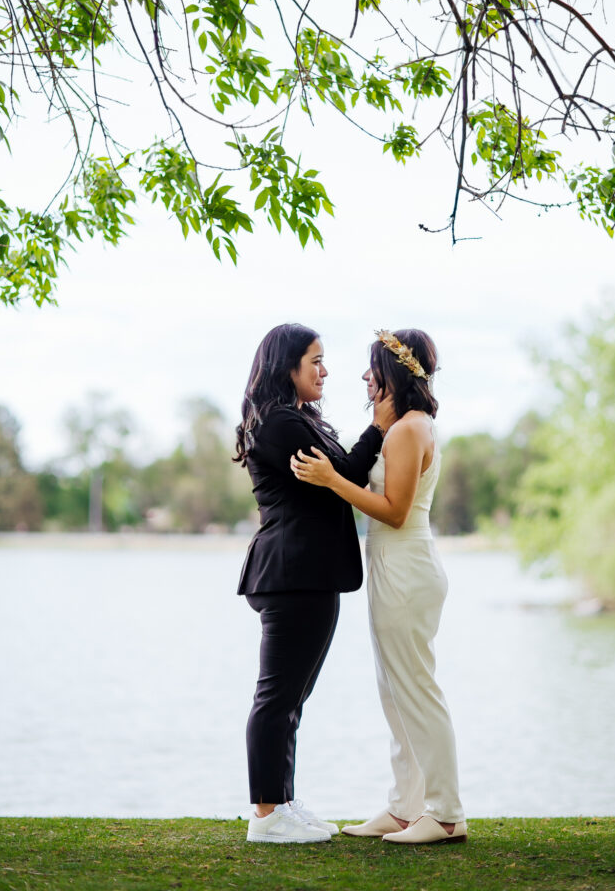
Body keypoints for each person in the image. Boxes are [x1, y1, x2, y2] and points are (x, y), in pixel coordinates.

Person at [290, 329, 467, 845]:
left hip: (408, 566)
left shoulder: (410, 431)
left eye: (373, 368)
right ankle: (406, 806)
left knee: (416, 689)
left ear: (393, 374)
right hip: (393, 567)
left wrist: (332, 482)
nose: (365, 377)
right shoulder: (401, 427)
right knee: (394, 693)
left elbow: (393, 511)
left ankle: (446, 812)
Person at [234, 323, 395, 844]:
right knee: (278, 696)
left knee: (292, 698)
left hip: (309, 572)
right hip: (291, 573)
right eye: (315, 361)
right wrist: (378, 426)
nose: (325, 371)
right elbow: (342, 475)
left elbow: (337, 472)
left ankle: (280, 802)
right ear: (288, 367)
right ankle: (266, 815)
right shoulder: (280, 423)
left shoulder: (300, 419)